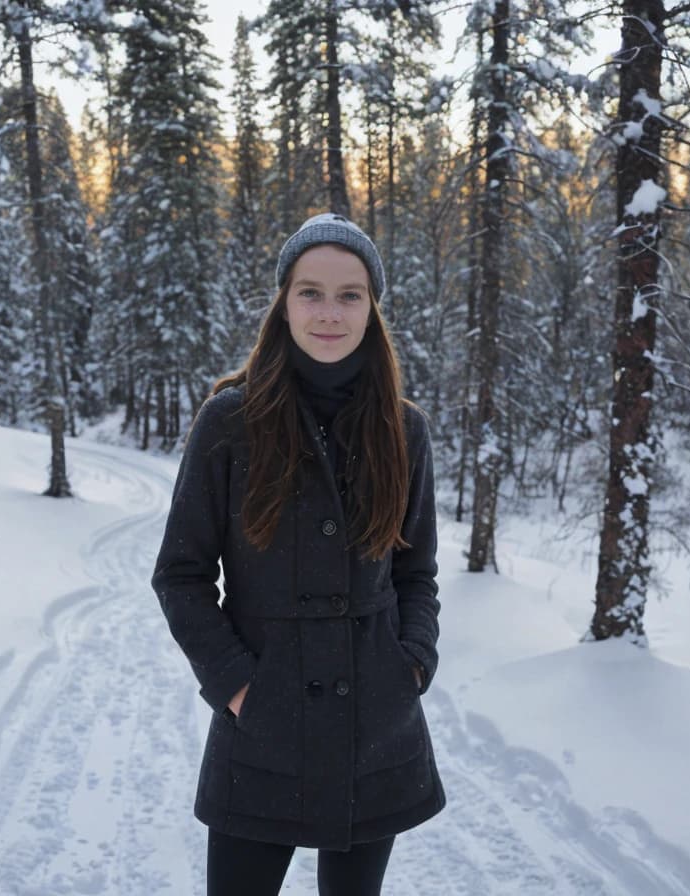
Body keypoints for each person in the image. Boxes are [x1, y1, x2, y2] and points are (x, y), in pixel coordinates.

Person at [151, 213, 445, 896]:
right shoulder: (230, 420)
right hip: (262, 727)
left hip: (376, 722)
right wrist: (238, 688)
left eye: (350, 295)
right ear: (283, 303)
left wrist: (414, 664)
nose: (329, 313)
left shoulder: (405, 429)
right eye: (310, 292)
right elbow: (182, 575)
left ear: (373, 309)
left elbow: (416, 571)